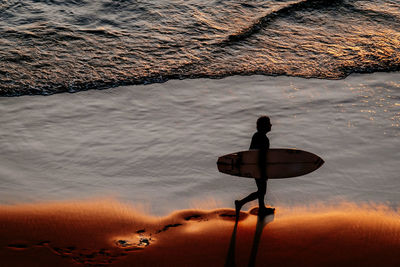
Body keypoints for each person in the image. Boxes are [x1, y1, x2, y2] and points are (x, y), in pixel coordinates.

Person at [235, 116, 275, 216]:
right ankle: (240, 203)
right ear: (264, 126)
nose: (271, 125)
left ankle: (262, 208)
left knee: (262, 191)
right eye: (269, 123)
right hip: (259, 168)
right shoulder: (264, 139)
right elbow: (262, 157)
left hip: (254, 167)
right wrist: (264, 171)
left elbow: (250, 152)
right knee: (262, 191)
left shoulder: (256, 135)